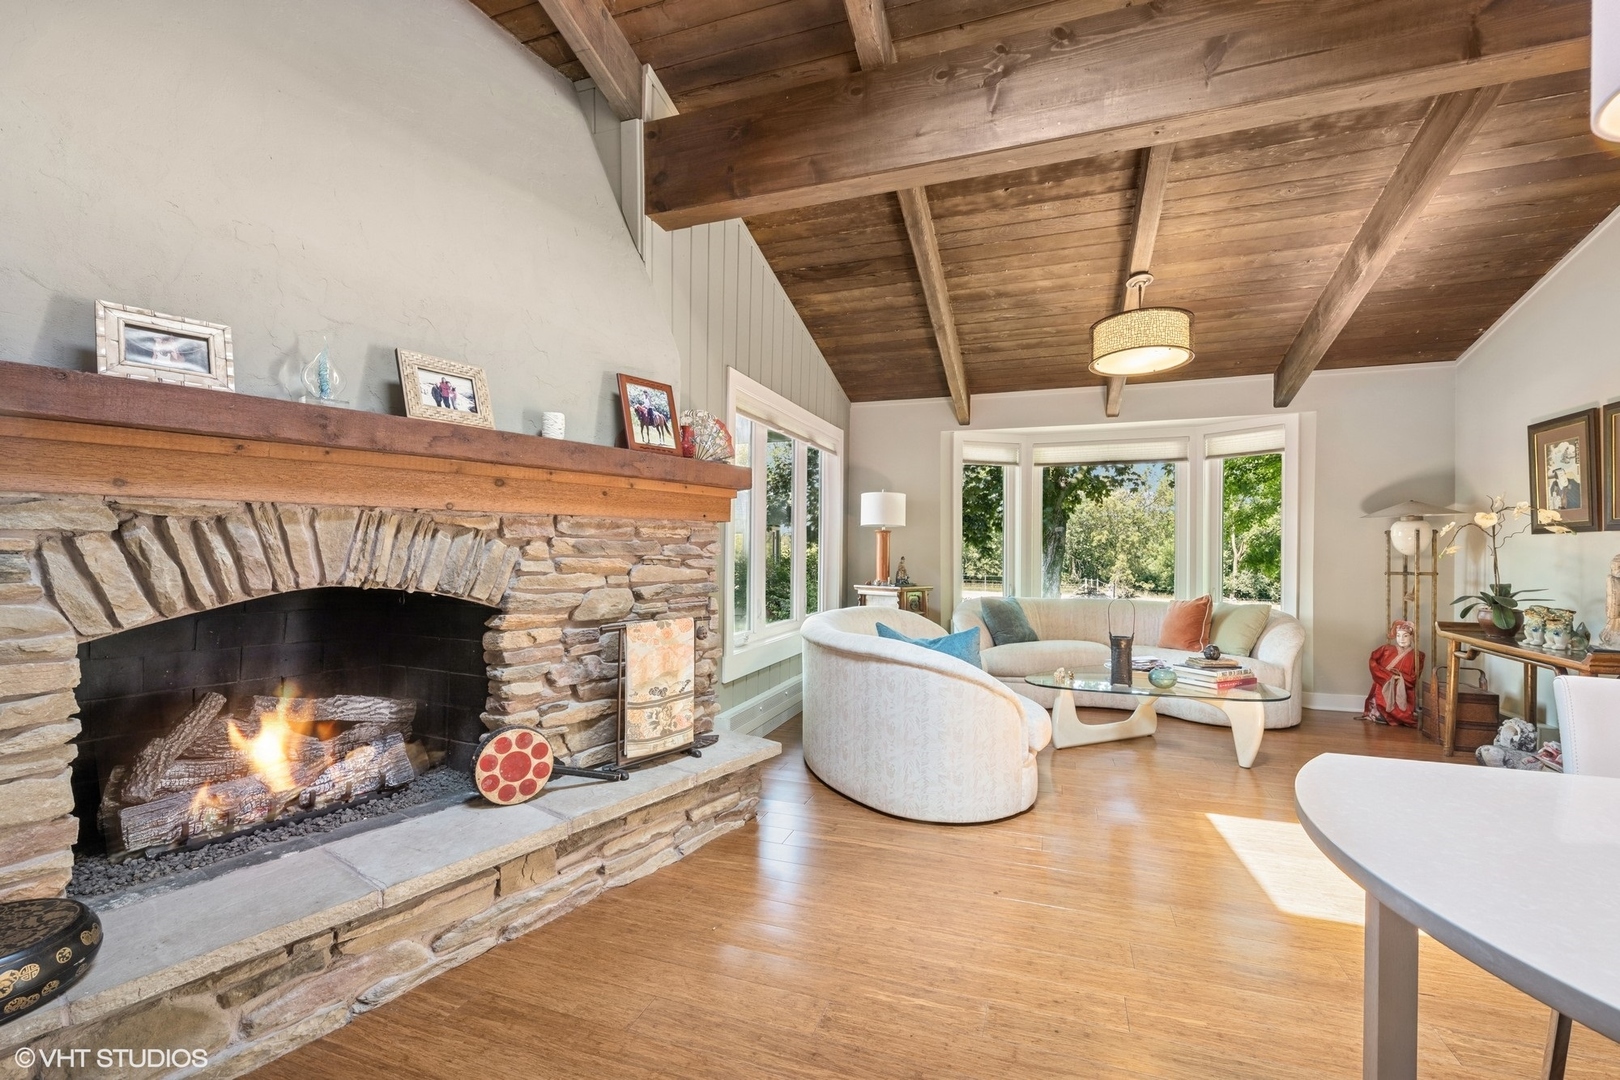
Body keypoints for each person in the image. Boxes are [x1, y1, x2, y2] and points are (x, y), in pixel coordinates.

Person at [1363, 619, 1423, 727]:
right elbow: (1373, 661)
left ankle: (1398, 717)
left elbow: (1414, 678)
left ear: (1411, 637)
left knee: (1404, 705)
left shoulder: (1418, 656)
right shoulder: (1386, 649)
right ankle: (1381, 714)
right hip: (1384, 682)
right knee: (1380, 690)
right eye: (1399, 636)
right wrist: (1388, 677)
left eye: (1405, 636)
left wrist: (1400, 678)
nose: (1401, 639)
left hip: (1403, 686)